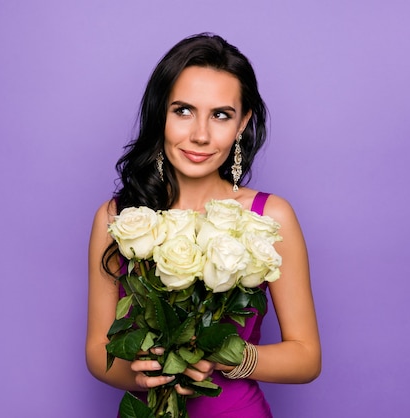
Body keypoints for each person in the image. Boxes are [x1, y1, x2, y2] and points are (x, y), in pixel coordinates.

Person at [86, 33, 321, 417]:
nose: (200, 134)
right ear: (160, 112)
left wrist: (226, 357)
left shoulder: (270, 217)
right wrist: (141, 375)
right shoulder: (118, 219)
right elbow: (98, 350)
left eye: (220, 115)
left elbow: (307, 357)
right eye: (183, 111)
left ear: (242, 122)